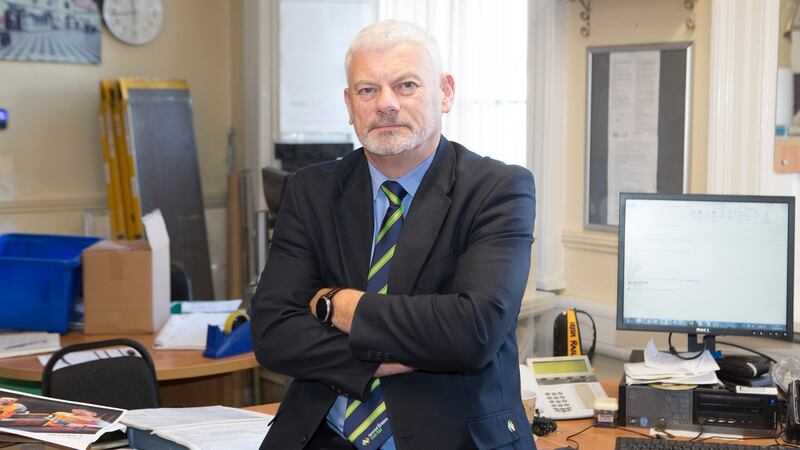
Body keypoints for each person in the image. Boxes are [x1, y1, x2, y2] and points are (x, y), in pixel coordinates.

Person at [251, 19, 536, 450]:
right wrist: (407, 350)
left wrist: (338, 305)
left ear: (445, 92)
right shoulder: (311, 190)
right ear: (349, 105)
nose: (386, 104)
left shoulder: (497, 189)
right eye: (367, 90)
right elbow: (273, 334)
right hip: (322, 436)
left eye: (406, 85)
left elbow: (473, 332)